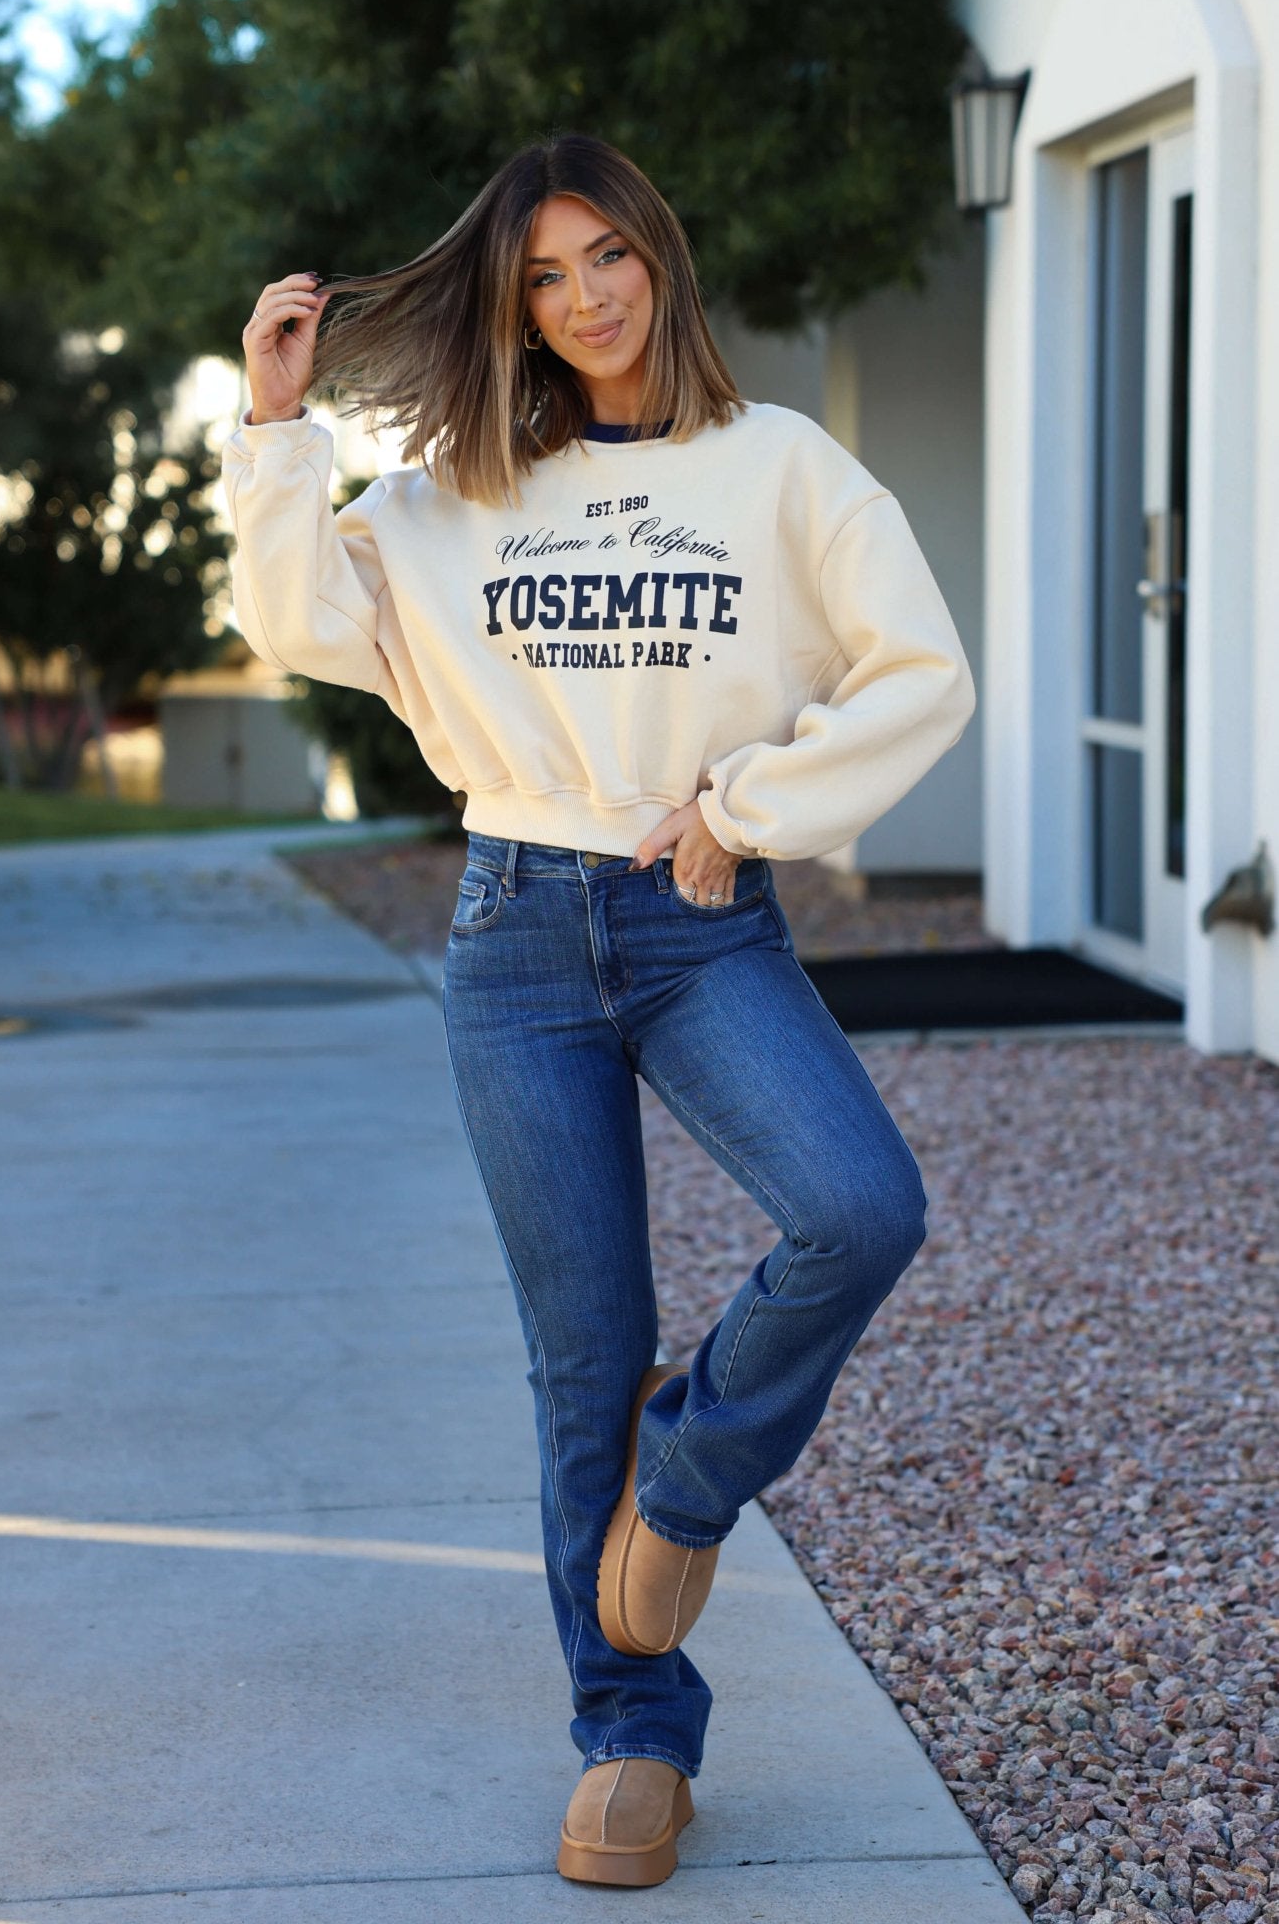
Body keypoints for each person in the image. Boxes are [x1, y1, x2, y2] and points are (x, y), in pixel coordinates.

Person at [221, 130, 976, 1889]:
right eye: (546, 277)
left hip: (703, 924)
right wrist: (275, 431)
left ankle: (688, 1476)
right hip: (512, 933)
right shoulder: (453, 491)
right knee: (581, 1355)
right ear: (518, 305)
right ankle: (629, 1740)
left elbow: (921, 674)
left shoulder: (779, 469)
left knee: (861, 1207)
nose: (584, 300)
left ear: (661, 255)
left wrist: (742, 811)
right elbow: (295, 615)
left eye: (607, 258)